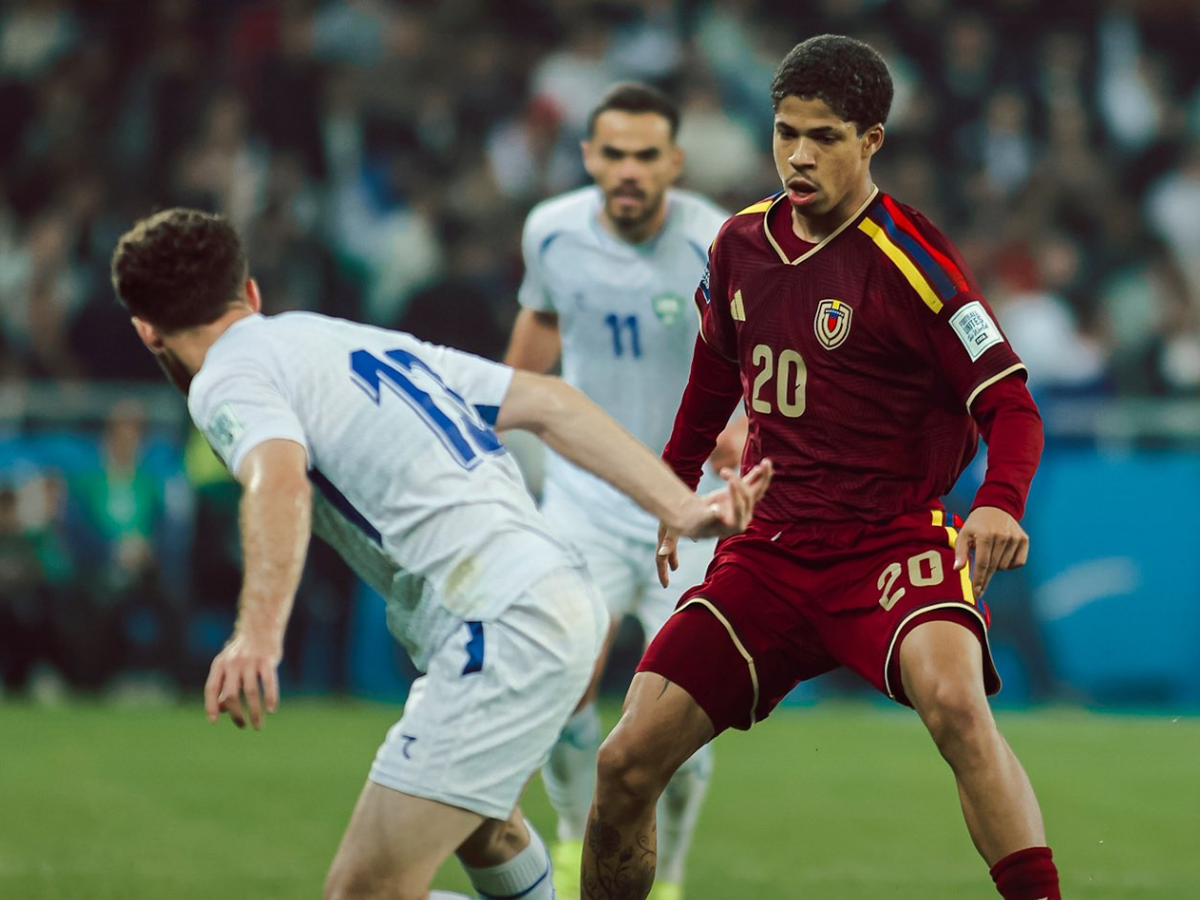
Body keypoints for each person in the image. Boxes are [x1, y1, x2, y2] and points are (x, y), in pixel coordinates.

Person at [109, 207, 772, 900]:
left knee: (363, 894)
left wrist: (257, 635)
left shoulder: (226, 376)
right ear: (249, 293)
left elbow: (276, 478)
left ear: (146, 329)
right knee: (489, 830)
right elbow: (549, 402)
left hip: (501, 619)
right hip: (554, 594)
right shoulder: (334, 338)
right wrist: (682, 505)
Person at [581, 35, 1061, 900]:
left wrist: (999, 501)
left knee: (959, 708)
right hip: (768, 553)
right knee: (623, 764)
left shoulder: (915, 263)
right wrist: (673, 484)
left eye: (825, 137)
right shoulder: (738, 245)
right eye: (785, 133)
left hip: (889, 547)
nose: (798, 156)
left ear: (871, 140)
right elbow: (713, 375)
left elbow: (1012, 403)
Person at [504, 82, 742, 900]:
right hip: (585, 498)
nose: (629, 170)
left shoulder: (718, 242)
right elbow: (539, 331)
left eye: (646, 156)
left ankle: (666, 876)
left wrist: (745, 429)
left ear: (674, 162)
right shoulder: (551, 231)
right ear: (589, 157)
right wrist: (492, 419)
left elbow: (760, 357)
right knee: (561, 686)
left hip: (691, 507)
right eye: (613, 154)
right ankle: (577, 836)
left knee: (680, 718)